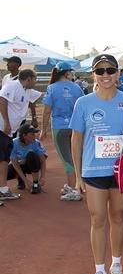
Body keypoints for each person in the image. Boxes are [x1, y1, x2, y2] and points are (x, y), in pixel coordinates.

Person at [69, 54, 123, 274]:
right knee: (97, 219)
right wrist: (77, 175)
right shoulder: (83, 103)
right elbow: (76, 140)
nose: (106, 75)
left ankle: (116, 265)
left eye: (110, 70)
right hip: (93, 170)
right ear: (93, 74)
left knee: (118, 217)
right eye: (100, 71)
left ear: (117, 73)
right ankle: (100, 272)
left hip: (119, 172)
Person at [40, 61, 84, 201]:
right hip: (76, 127)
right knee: (75, 157)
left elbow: (47, 111)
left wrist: (43, 130)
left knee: (67, 160)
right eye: (70, 71)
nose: (71, 74)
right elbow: (83, 107)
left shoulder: (51, 88)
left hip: (59, 127)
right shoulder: (77, 88)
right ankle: (75, 185)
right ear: (66, 73)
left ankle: (74, 189)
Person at [0, 69, 41, 202]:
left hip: (10, 131)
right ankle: (3, 189)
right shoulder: (12, 86)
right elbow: (2, 100)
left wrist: (34, 116)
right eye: (35, 79)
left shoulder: (27, 90)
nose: (36, 82)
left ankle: (3, 189)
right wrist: (6, 122)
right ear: (29, 79)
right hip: (2, 128)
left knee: (5, 159)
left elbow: (35, 100)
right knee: (2, 160)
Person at [8, 124, 46, 194]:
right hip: (19, 165)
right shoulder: (13, 143)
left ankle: (35, 184)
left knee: (31, 155)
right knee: (5, 173)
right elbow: (15, 163)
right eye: (32, 134)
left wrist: (43, 177)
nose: (34, 136)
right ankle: (21, 179)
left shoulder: (35, 143)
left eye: (34, 134)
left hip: (31, 164)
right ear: (24, 135)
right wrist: (26, 181)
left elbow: (43, 161)